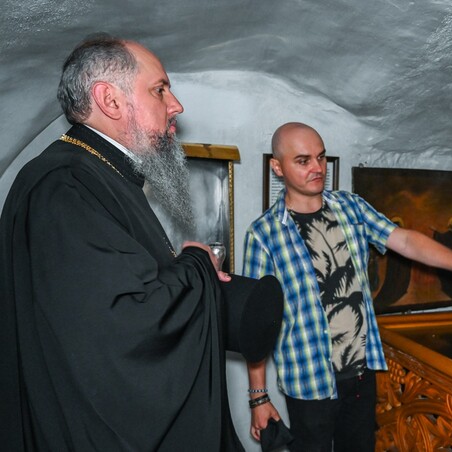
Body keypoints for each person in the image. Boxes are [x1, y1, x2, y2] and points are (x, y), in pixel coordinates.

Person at [0, 34, 284, 451]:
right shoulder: (65, 186)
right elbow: (123, 325)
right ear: (110, 100)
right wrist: (196, 263)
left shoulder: (98, 175)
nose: (177, 105)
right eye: (160, 90)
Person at [241, 122, 452, 451]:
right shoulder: (264, 234)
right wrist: (258, 398)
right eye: (303, 161)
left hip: (361, 376)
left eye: (321, 157)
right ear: (278, 167)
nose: (317, 168)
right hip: (309, 382)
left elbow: (406, 241)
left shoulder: (351, 207)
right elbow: (256, 323)